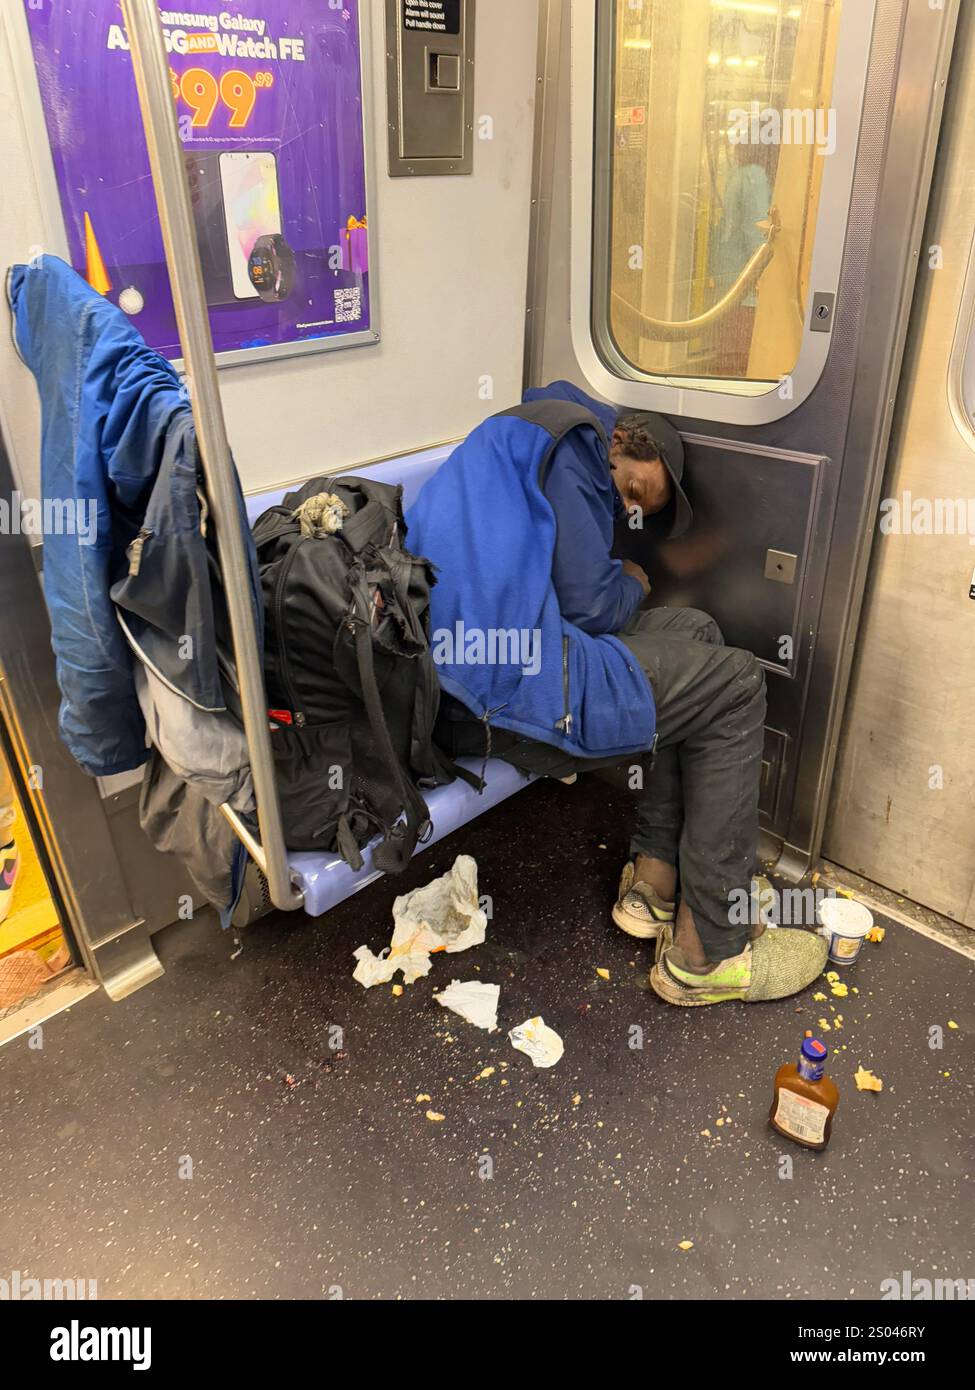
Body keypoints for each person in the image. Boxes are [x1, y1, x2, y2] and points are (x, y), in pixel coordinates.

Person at [409, 381, 826, 1007]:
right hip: (497, 687)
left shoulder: (520, 439)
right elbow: (590, 604)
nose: (626, 509)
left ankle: (653, 887)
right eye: (635, 491)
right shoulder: (574, 437)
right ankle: (709, 951)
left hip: (460, 677)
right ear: (629, 439)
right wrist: (633, 578)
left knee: (700, 634)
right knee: (737, 682)